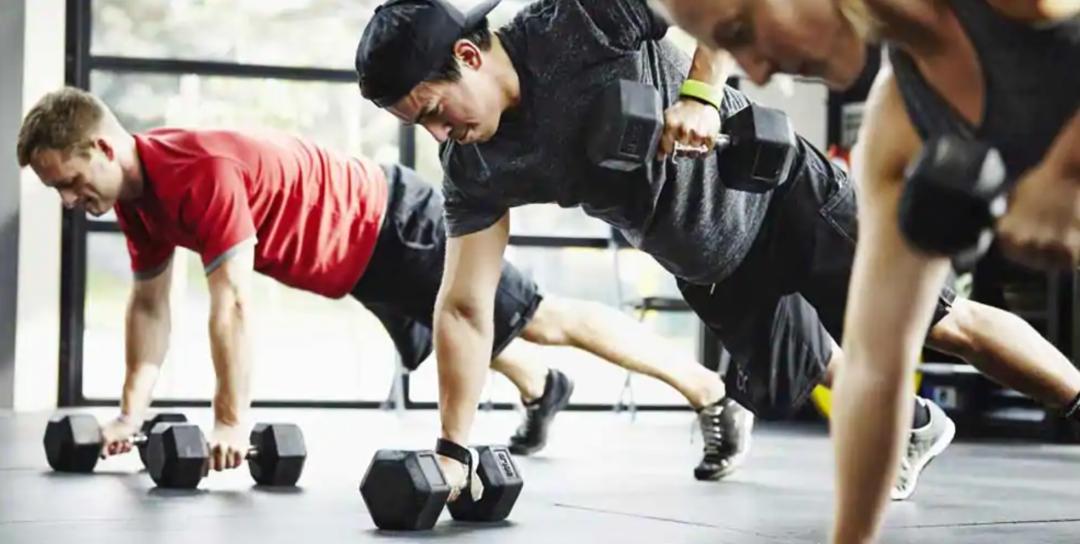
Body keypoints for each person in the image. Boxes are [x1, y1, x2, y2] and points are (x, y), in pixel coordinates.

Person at [353, 0, 1072, 506]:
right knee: (808, 373)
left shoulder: (576, 21)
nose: (440, 135)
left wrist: (700, 93)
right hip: (712, 265)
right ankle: (916, 427)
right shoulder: (476, 167)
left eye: (435, 112)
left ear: (469, 56)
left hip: (781, 199)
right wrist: (453, 447)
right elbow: (465, 306)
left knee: (939, 324)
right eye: (421, 127)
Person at [16, 86, 738, 477]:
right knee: (473, 336)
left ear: (102, 146)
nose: (71, 201)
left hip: (391, 223)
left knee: (539, 317)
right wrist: (129, 415)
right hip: (357, 262)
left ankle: (710, 391)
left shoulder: (197, 173)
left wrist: (230, 421)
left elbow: (231, 302)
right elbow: (148, 307)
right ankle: (542, 387)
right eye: (59, 192)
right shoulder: (137, 201)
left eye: (71, 182)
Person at [657, 0, 1080, 541]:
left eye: (742, 31)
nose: (755, 72)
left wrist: (1064, 168)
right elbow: (878, 367)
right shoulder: (898, 124)